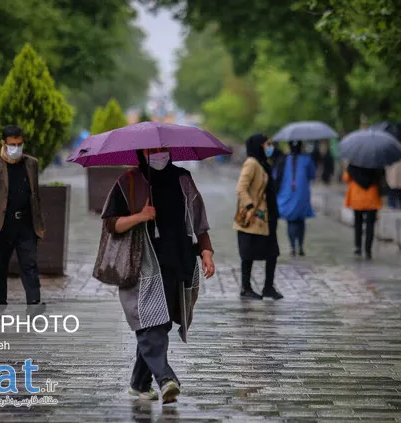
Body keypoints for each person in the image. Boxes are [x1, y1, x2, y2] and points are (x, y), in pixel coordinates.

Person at [100, 147, 215, 404]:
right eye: (153, 150)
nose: (159, 153)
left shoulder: (183, 178)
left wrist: (206, 250)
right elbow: (111, 223)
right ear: (142, 152)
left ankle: (139, 385)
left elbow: (199, 220)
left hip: (179, 261)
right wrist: (140, 217)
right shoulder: (128, 182)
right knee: (150, 322)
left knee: (161, 323)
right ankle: (165, 379)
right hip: (143, 266)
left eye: (163, 149)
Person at [0, 125, 46, 316]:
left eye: (19, 144)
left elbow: (35, 195)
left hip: (26, 224)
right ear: (3, 143)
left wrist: (40, 224)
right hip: (2, 225)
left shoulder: (31, 163)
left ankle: (34, 304)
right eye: (12, 144)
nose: (16, 147)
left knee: (30, 264)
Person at [234, 133, 283, 300]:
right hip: (254, 217)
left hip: (267, 217)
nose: (269, 147)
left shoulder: (263, 163)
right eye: (266, 144)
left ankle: (268, 287)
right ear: (258, 145)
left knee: (272, 253)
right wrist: (250, 206)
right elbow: (241, 187)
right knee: (248, 253)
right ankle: (246, 287)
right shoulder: (251, 163)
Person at [275, 140, 316, 257]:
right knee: (301, 221)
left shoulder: (283, 160)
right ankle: (300, 246)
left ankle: (293, 246)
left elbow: (276, 175)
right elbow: (312, 174)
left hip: (286, 194)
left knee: (291, 221)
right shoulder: (307, 159)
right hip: (302, 194)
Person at [343, 164, 383, 260]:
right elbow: (380, 178)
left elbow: (346, 178)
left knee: (358, 223)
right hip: (372, 197)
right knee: (370, 225)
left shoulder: (353, 164)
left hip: (357, 197)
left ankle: (358, 247)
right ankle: (368, 250)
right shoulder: (376, 163)